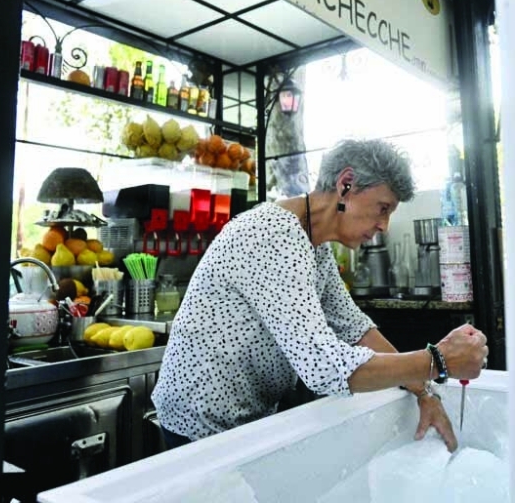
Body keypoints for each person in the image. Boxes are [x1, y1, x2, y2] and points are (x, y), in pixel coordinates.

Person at [151, 139, 488, 453]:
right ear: (346, 185)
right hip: (200, 421)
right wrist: (437, 361)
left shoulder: (315, 247)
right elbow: (323, 366)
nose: (384, 225)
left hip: (245, 418)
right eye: (382, 208)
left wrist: (423, 389)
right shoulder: (273, 234)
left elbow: (356, 330)